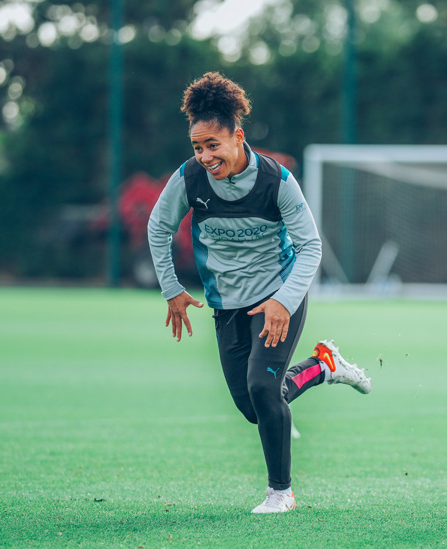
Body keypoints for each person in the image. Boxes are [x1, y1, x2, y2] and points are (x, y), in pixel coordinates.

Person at [147, 72, 371, 514]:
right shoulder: (189, 179)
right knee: (253, 406)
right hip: (226, 305)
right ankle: (324, 366)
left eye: (214, 144)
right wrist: (172, 289)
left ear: (238, 137)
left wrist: (283, 301)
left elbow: (311, 247)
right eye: (197, 146)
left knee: (263, 389)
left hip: (278, 298)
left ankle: (280, 493)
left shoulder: (277, 181)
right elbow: (159, 227)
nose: (206, 155)